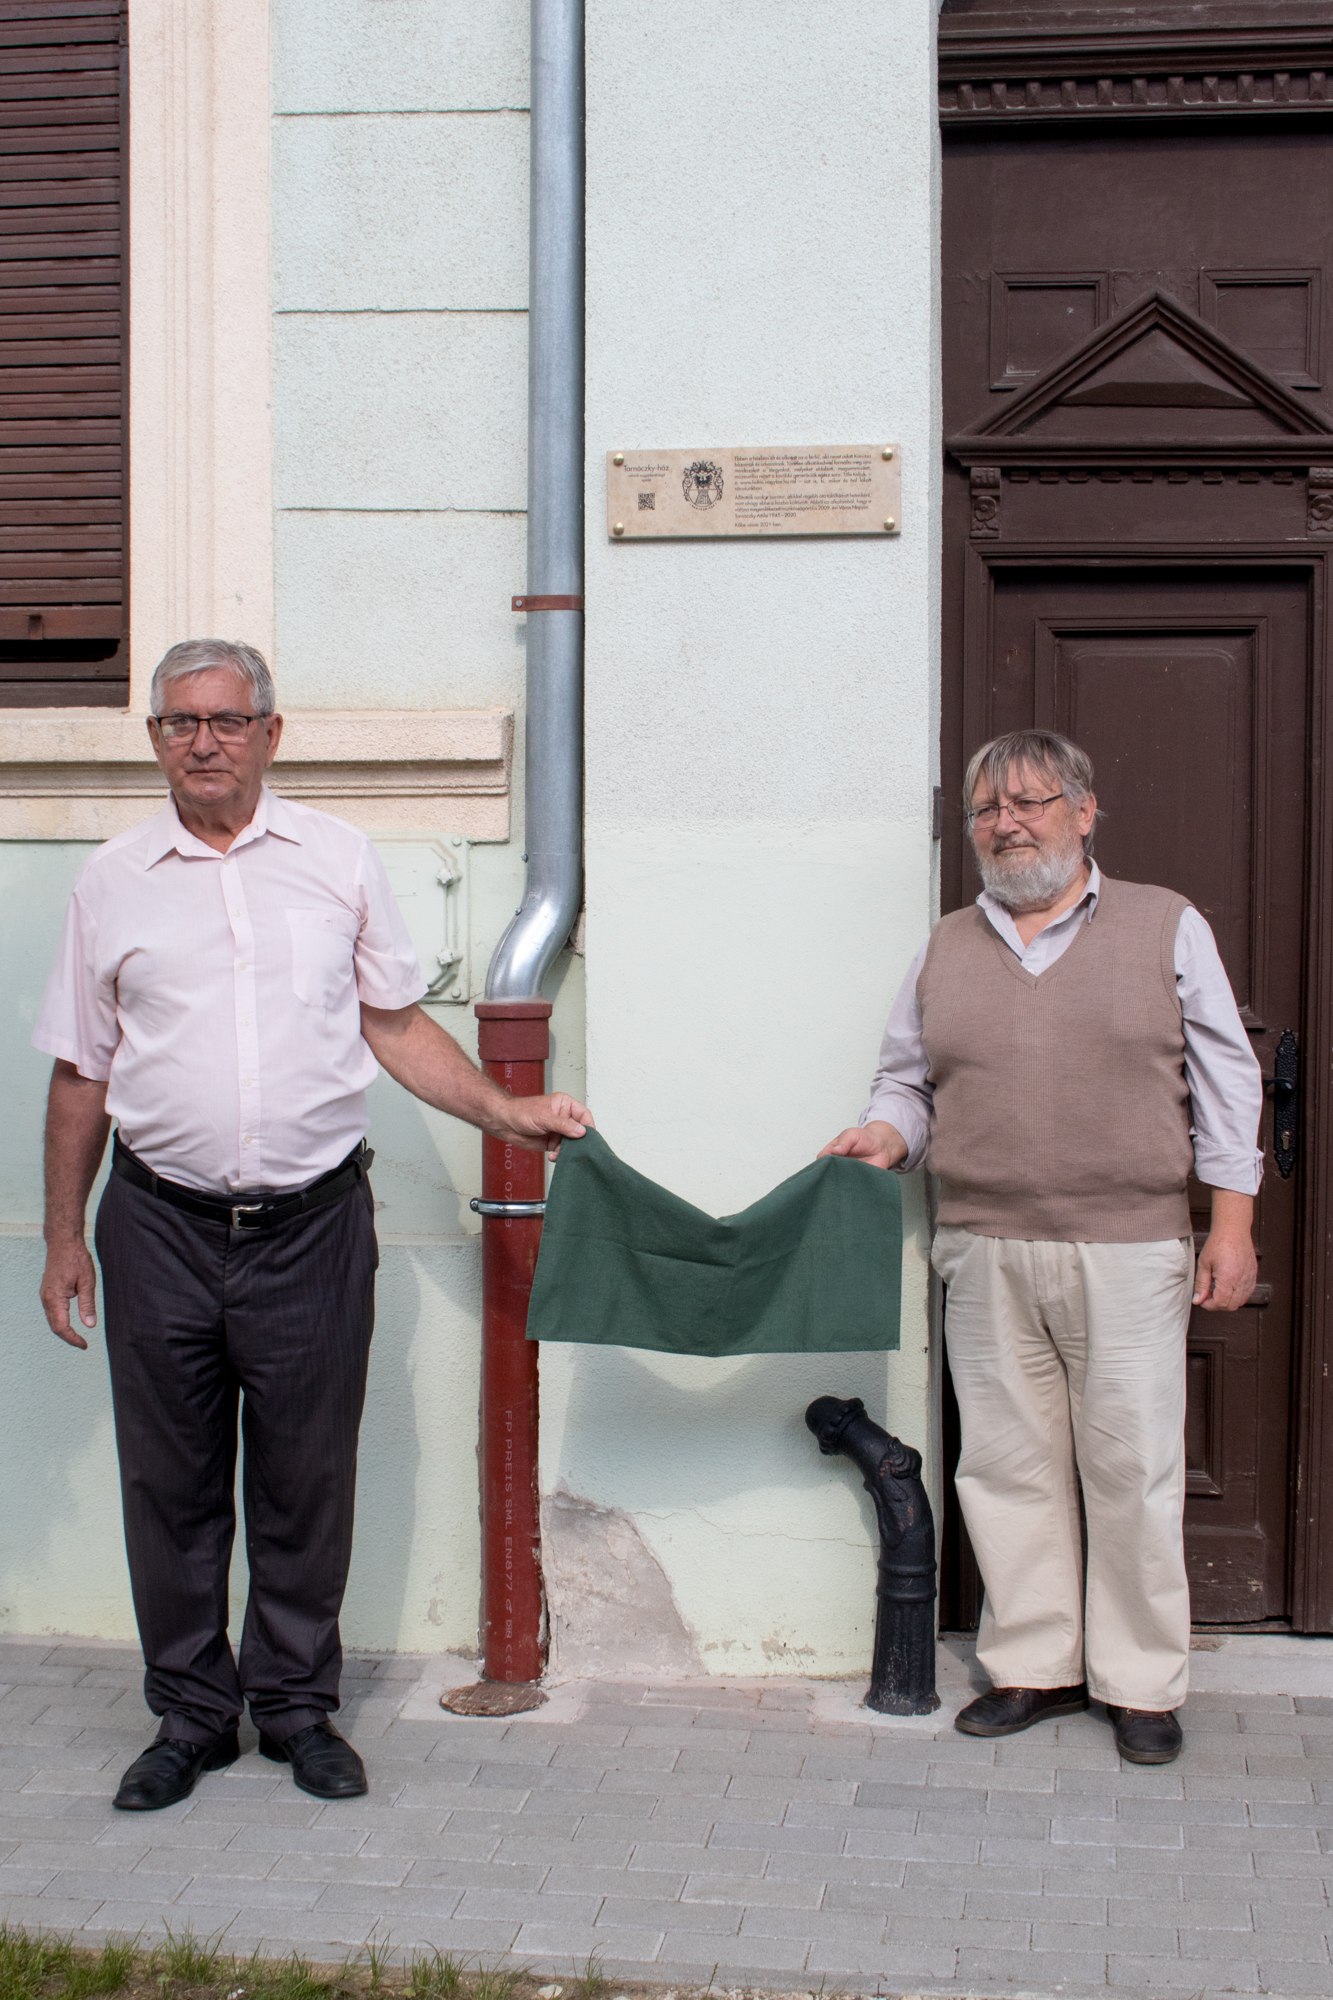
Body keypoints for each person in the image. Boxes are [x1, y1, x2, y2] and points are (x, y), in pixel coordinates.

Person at [34, 639, 592, 1812]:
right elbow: (82, 1069)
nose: (205, 741)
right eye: (182, 721)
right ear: (155, 739)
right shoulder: (112, 880)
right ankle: (191, 1716)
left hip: (311, 1228)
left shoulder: (338, 859)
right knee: (169, 1483)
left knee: (305, 1476)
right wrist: (64, 1236)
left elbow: (394, 1024)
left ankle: (293, 1707)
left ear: (270, 733)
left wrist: (506, 1109)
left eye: (228, 719)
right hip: (159, 1225)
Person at [820, 729, 1262, 1766]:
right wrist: (885, 1135)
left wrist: (1233, 1224)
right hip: (982, 1244)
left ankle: (1139, 1683)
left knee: (1132, 1468)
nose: (1006, 824)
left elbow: (1227, 1080)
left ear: (1084, 810)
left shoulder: (1165, 923)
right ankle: (1033, 1666)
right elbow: (907, 1081)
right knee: (1005, 1466)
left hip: (1130, 1245)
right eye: (987, 809)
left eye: (1028, 801)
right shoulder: (944, 946)